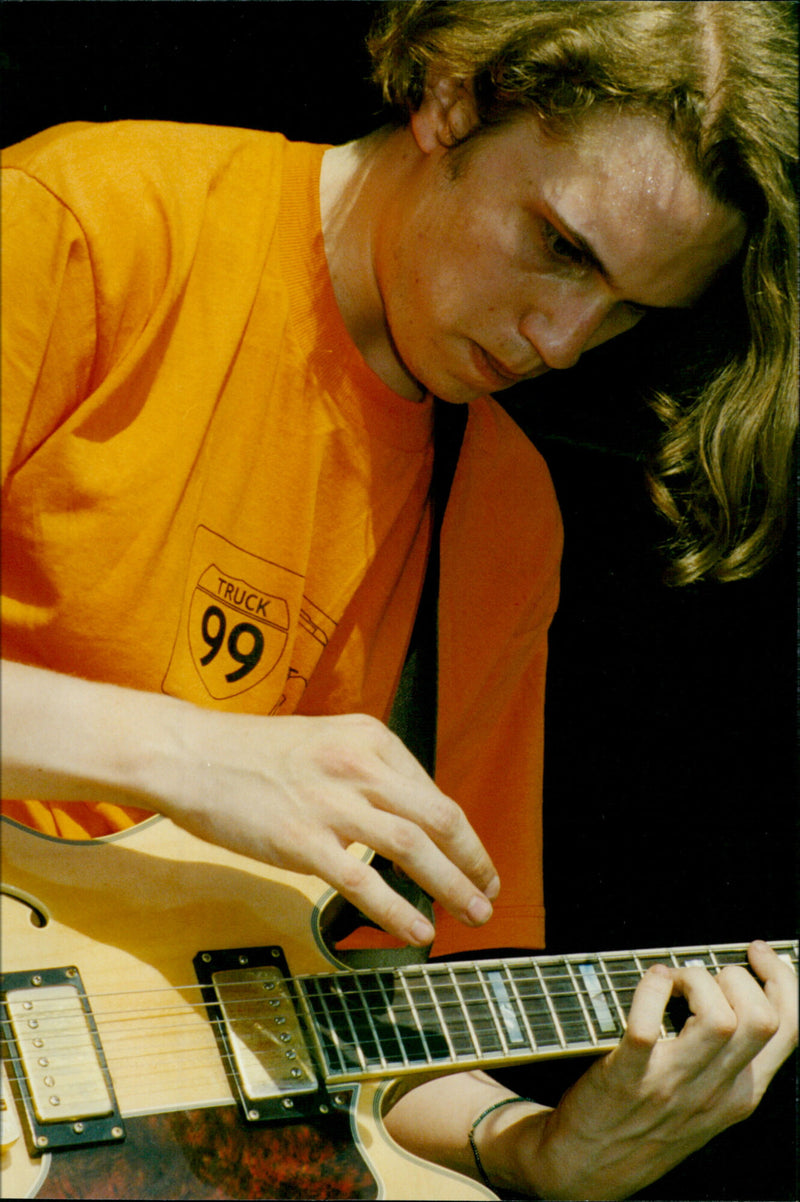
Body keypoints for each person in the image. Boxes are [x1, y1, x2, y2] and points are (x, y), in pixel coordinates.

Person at [1, 2, 796, 1197]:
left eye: (632, 307)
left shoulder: (504, 509)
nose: (566, 337)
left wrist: (542, 1149)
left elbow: (388, 1032)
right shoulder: (88, 222)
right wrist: (193, 756)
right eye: (561, 247)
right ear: (449, 95)